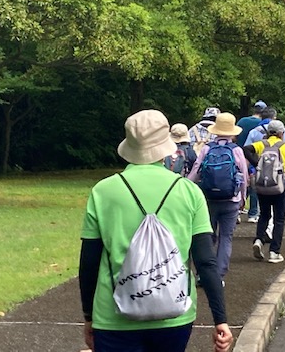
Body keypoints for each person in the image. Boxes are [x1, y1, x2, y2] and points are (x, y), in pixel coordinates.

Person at [79, 110, 233, 352]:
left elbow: (88, 262)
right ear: (166, 147)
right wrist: (220, 319)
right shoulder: (189, 192)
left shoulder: (103, 192)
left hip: (113, 318)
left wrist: (89, 316)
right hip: (174, 317)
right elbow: (206, 261)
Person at [187, 113, 247, 282]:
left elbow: (196, 171)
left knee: (207, 237)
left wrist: (187, 186)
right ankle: (218, 276)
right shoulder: (236, 151)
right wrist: (242, 197)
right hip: (231, 200)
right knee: (225, 238)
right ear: (232, 132)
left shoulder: (207, 148)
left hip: (209, 199)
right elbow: (243, 177)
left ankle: (202, 274)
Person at [243, 120, 285, 264]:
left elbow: (246, 149)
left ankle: (259, 239)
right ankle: (274, 252)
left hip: (262, 185)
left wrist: (257, 163)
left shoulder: (262, 144)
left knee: (264, 215)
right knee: (279, 218)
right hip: (278, 186)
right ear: (281, 133)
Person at [236, 101, 266, 224]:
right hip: (254, 157)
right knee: (254, 185)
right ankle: (253, 213)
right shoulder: (261, 125)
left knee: (239, 183)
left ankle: (237, 211)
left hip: (239, 155)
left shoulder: (242, 121)